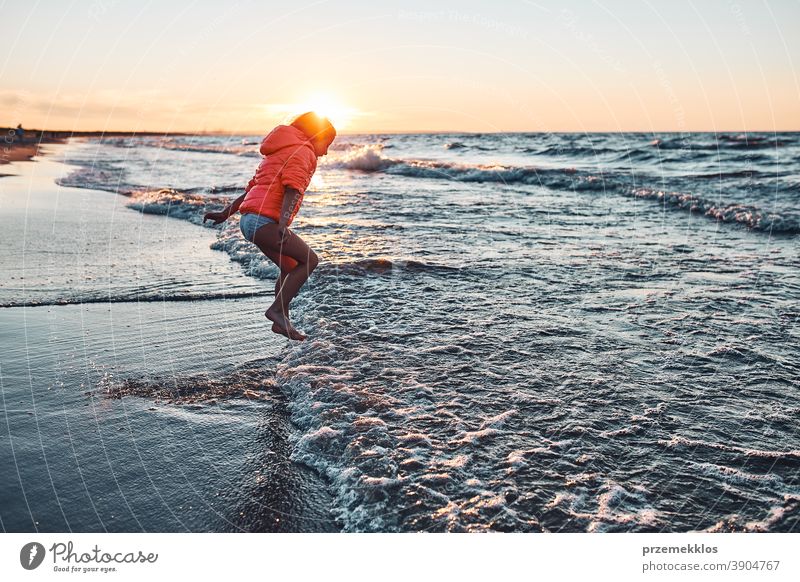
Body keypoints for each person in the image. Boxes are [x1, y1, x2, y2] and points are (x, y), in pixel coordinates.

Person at [203, 112, 336, 341]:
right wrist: (283, 223)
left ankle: (281, 320)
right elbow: (293, 188)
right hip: (264, 222)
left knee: (290, 265)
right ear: (317, 136)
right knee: (310, 260)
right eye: (327, 144)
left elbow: (253, 188)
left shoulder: (278, 152)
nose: (325, 151)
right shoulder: (303, 151)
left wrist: (226, 213)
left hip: (249, 221)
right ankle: (276, 311)